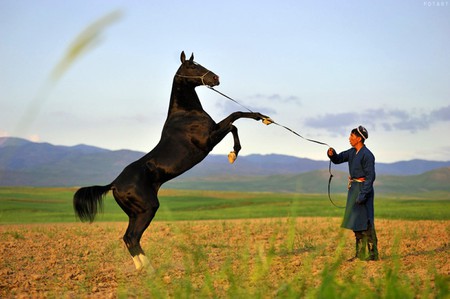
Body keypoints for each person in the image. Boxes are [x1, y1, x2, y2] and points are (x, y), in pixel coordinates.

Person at [327, 125, 379, 261]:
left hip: (363, 190)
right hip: (353, 189)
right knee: (356, 222)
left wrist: (363, 195)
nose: (349, 138)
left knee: (366, 222)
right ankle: (360, 255)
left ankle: (373, 255)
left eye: (352, 136)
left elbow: (370, 177)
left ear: (359, 138)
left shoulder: (367, 155)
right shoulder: (351, 152)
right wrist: (332, 154)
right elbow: (338, 159)